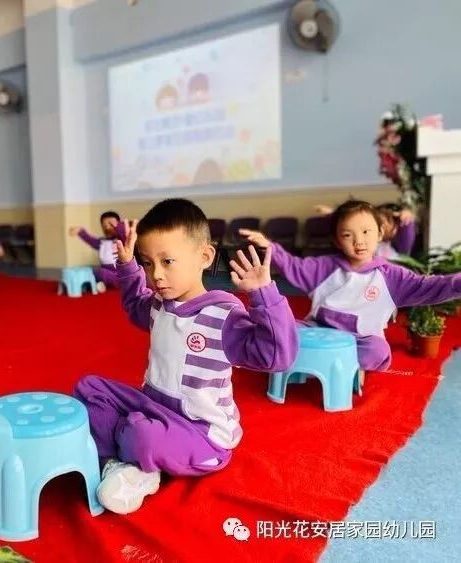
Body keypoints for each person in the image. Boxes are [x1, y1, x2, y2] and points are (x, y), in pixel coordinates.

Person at [74, 199, 298, 514]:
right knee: (89, 388)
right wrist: (128, 267)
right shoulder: (158, 304)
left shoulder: (223, 315)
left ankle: (131, 457)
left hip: (202, 434)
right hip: (152, 406)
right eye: (148, 263)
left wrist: (264, 295)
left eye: (167, 261)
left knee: (142, 435)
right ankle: (124, 464)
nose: (156, 275)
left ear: (204, 257)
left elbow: (277, 356)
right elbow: (136, 304)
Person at [240, 200, 461, 380]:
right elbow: (293, 265)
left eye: (366, 232)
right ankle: (319, 361)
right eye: (348, 235)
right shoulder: (325, 267)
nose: (359, 241)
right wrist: (270, 247)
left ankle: (325, 363)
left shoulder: (392, 276)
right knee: (284, 328)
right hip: (317, 330)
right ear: (337, 240)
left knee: (378, 350)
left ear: (380, 233)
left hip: (360, 340)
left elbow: (430, 286)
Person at [69, 211, 126, 291]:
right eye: (104, 225)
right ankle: (92, 285)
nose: (108, 228)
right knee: (93, 272)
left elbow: (123, 233)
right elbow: (90, 240)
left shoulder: (122, 240)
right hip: (104, 270)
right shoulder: (102, 242)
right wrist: (80, 231)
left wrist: (119, 226)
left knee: (118, 277)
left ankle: (111, 284)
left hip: (119, 272)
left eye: (111, 224)